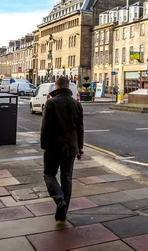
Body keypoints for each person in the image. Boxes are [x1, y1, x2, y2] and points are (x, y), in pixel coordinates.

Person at [40, 76, 84, 222]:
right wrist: (80, 147)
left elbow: (46, 128)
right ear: (68, 87)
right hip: (71, 147)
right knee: (67, 178)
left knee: (49, 174)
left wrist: (44, 146)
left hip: (53, 147)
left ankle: (60, 200)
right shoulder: (76, 104)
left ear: (57, 87)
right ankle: (64, 210)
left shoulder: (51, 103)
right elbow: (80, 129)